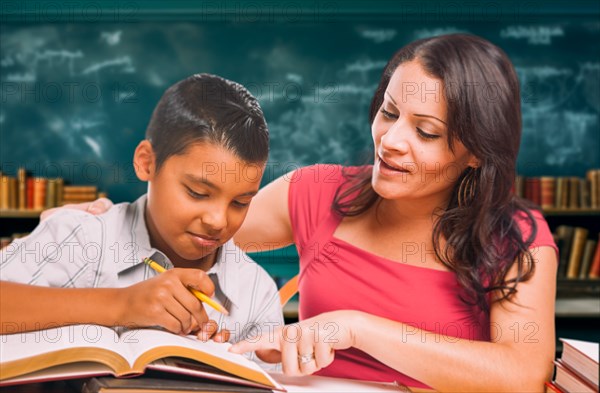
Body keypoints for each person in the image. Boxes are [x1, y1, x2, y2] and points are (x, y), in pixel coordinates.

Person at [39, 34, 559, 391]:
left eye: (425, 133)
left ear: (475, 150)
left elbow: (520, 375)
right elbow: (190, 236)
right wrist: (119, 220)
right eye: (389, 113)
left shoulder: (515, 236)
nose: (391, 142)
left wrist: (357, 328)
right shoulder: (317, 193)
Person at [0, 75, 283, 361]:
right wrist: (121, 305)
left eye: (240, 202)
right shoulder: (79, 236)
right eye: (197, 192)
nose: (218, 220)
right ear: (147, 162)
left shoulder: (256, 292)